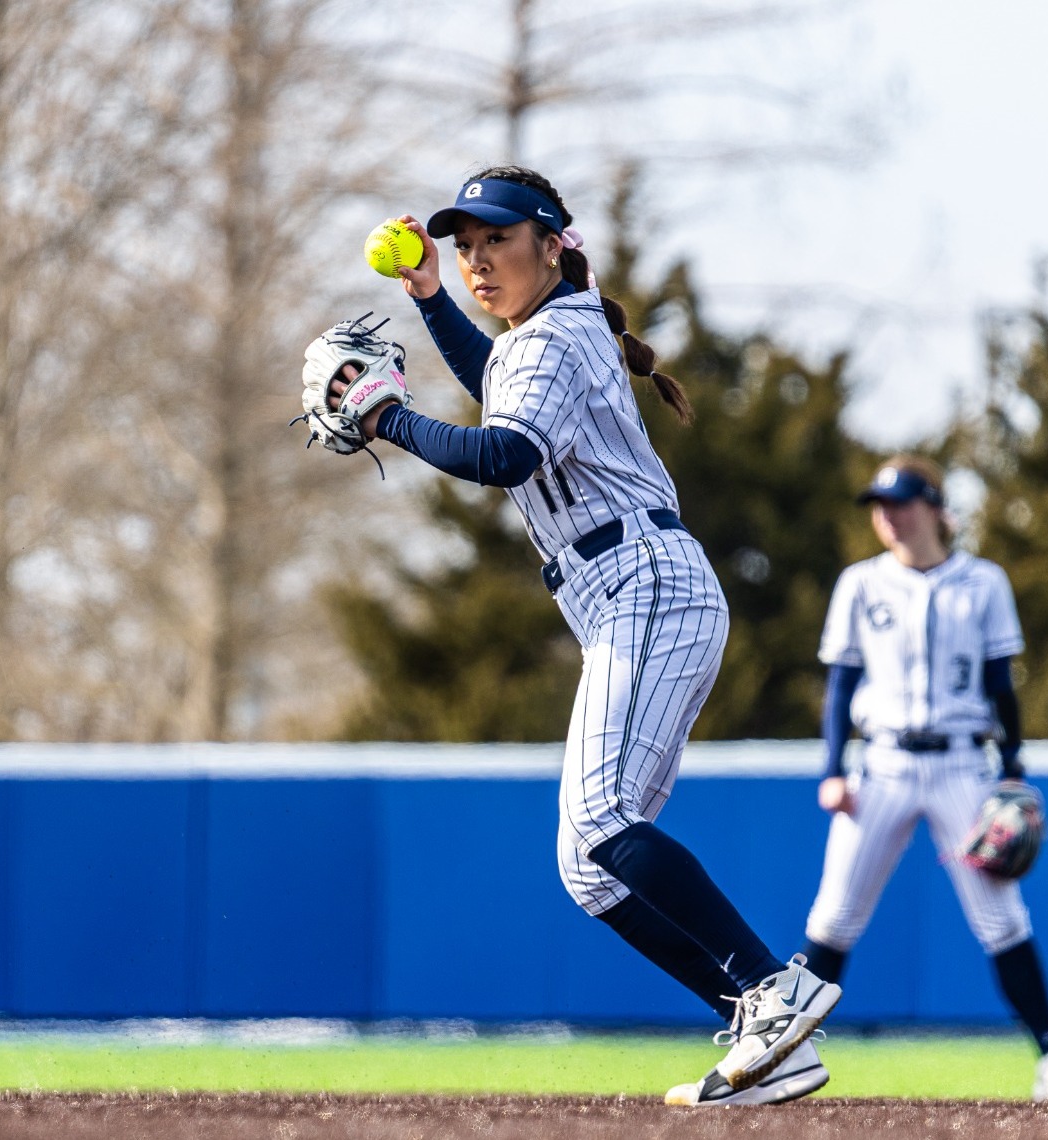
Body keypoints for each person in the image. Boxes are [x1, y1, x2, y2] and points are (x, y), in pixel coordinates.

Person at [323, 166, 840, 1105]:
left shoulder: (556, 333)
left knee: (602, 824)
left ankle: (775, 986)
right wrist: (432, 296)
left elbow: (504, 452)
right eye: (466, 244)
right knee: (589, 867)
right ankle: (770, 1039)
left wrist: (386, 415)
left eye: (498, 240)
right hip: (626, 590)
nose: (478, 258)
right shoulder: (548, 336)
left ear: (552, 243)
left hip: (643, 579)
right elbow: (496, 387)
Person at [802, 455, 1048, 1102]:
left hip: (962, 764)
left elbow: (1000, 687)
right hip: (881, 764)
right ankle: (781, 1054)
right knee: (834, 918)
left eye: (901, 502)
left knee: (1001, 920)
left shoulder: (983, 582)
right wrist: (831, 769)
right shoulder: (861, 583)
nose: (889, 516)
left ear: (935, 507)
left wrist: (1013, 773)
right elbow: (840, 686)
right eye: (880, 505)